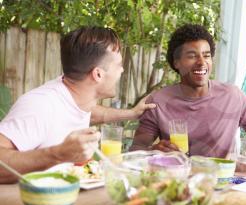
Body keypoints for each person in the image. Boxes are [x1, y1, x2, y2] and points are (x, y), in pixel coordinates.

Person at [0, 26, 155, 183]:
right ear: (98, 74)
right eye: (119, 65)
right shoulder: (40, 105)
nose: (122, 70)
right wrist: (57, 153)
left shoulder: (75, 96)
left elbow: (88, 111)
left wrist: (132, 113)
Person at [130, 24, 246, 157]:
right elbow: (136, 150)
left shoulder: (233, 97)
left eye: (206, 55)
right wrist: (154, 151)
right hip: (175, 176)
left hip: (221, 177)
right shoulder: (158, 102)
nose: (201, 62)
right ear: (176, 62)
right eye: (192, 56)